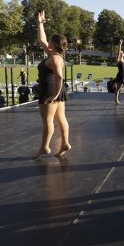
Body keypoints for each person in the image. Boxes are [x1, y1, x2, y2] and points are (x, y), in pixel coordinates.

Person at [33, 11, 70, 159]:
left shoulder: (54, 58)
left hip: (50, 90)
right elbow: (42, 39)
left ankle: (45, 148)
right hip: (56, 89)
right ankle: (65, 143)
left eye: (50, 40)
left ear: (54, 43)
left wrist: (54, 95)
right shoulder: (55, 54)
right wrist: (40, 23)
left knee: (47, 120)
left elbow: (59, 76)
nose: (47, 41)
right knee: (61, 118)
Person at [114, 39, 124, 105]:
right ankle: (116, 100)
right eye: (120, 53)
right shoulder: (118, 61)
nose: (121, 53)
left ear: (123, 54)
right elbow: (118, 53)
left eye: (122, 53)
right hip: (120, 75)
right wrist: (120, 44)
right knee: (118, 89)